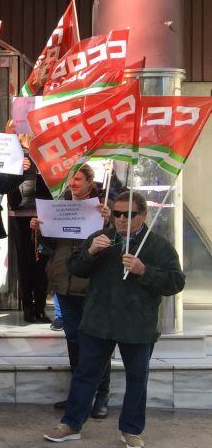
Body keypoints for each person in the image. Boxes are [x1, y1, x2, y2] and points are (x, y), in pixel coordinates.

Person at [44, 191, 185, 448]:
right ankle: (71, 424)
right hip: (99, 321)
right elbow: (75, 269)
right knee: (86, 374)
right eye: (118, 213)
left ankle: (131, 430)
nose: (121, 219)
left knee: (137, 377)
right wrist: (90, 253)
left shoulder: (158, 245)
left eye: (129, 214)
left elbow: (176, 282)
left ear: (143, 215)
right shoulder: (101, 238)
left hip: (137, 324)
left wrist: (145, 271)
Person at [31, 164, 114, 417]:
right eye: (70, 180)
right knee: (74, 341)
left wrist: (108, 221)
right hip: (64, 282)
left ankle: (101, 396)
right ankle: (79, 396)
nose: (72, 184)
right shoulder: (60, 204)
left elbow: (115, 242)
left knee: (97, 341)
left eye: (77, 179)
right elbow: (51, 244)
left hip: (90, 285)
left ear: (90, 181)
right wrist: (39, 228)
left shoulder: (103, 206)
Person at [6, 136, 52, 323]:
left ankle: (40, 307)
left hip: (45, 213)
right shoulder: (11, 154)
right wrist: (17, 168)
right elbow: (3, 184)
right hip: (20, 214)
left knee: (42, 261)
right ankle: (27, 307)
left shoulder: (48, 152)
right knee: (25, 262)